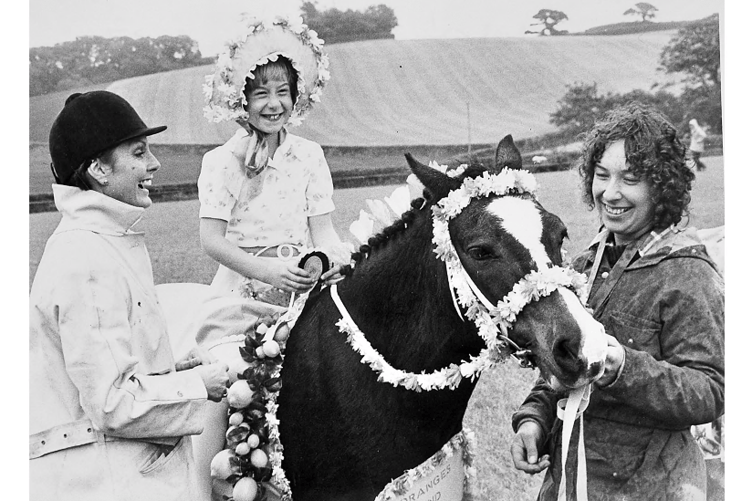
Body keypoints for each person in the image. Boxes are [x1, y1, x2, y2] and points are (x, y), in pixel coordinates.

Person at [510, 102, 724, 500]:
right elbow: (562, 367)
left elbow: (709, 392)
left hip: (653, 488)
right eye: (602, 175)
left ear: (662, 185)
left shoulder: (688, 273)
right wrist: (534, 420)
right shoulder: (583, 265)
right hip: (570, 483)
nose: (610, 192)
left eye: (630, 179)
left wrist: (623, 367)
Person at [29, 90, 230, 501]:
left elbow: (105, 372)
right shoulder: (85, 257)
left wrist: (171, 370)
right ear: (99, 169)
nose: (154, 163)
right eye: (139, 152)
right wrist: (196, 384)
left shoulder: (103, 243)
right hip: (105, 484)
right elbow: (111, 403)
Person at [185, 12, 351, 499]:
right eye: (261, 92)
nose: (273, 104)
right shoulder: (219, 163)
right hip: (237, 293)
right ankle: (203, 489)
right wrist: (266, 269)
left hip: (301, 290)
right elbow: (212, 241)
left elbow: (323, 230)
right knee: (228, 381)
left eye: (283, 91)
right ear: (242, 98)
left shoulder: (310, 156)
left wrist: (328, 259)